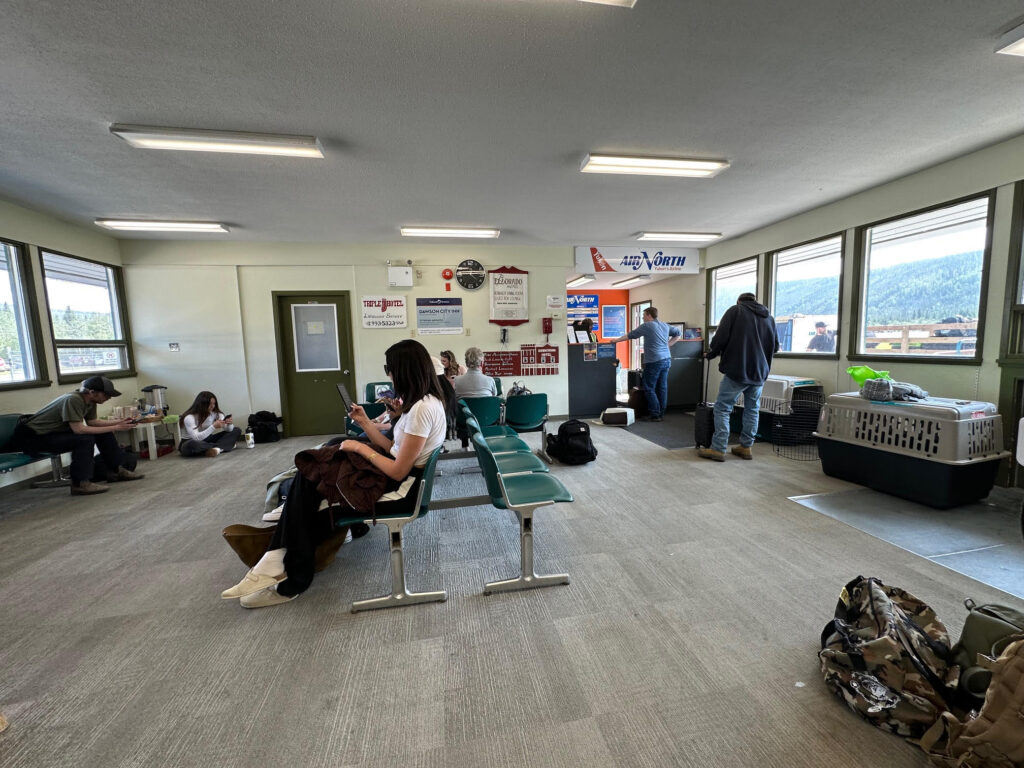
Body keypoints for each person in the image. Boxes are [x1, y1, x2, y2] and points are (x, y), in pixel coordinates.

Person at [221, 339, 448, 608]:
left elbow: (398, 470)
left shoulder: (422, 409)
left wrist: (360, 449)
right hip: (394, 477)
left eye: (389, 367)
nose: (388, 374)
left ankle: (285, 572)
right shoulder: (422, 403)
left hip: (401, 491)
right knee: (313, 471)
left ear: (403, 369)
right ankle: (277, 559)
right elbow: (393, 448)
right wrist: (364, 422)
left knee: (312, 476)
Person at [13, 375, 145, 495]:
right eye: (106, 395)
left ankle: (116, 471)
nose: (109, 398)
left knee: (104, 432)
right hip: (33, 437)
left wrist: (120, 422)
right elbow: (79, 430)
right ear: (92, 392)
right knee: (84, 439)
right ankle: (80, 484)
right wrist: (116, 427)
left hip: (51, 433)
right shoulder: (73, 400)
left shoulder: (91, 401)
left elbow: (93, 422)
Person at [698, 293, 780, 462]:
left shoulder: (736, 311)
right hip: (759, 373)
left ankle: (719, 448)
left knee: (722, 408)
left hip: (738, 370)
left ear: (739, 301)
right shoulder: (769, 318)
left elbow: (720, 338)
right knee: (752, 409)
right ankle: (746, 447)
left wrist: (711, 353)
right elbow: (776, 347)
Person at [609, 307, 681, 421]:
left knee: (649, 387)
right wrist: (669, 344)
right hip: (666, 359)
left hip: (654, 361)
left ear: (648, 315)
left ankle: (655, 414)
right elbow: (678, 333)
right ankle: (661, 413)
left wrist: (615, 341)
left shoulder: (647, 326)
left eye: (643, 315)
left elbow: (630, 335)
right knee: (662, 387)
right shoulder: (664, 325)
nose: (642, 317)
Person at [179, 391, 242, 457]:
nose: (212, 406)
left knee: (236, 430)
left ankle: (216, 449)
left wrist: (229, 424)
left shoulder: (216, 413)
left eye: (214, 404)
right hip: (189, 442)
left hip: (207, 440)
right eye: (209, 404)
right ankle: (226, 446)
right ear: (201, 404)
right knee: (192, 444)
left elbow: (229, 430)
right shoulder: (189, 417)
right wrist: (213, 427)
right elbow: (196, 438)